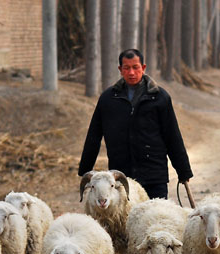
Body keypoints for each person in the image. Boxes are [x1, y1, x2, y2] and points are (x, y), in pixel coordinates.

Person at [78, 49, 193, 200]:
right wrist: (85, 170)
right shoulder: (108, 99)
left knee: (156, 218)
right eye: (126, 68)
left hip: (154, 175)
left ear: (143, 68)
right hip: (122, 179)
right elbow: (94, 135)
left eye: (135, 67)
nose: (131, 72)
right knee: (124, 220)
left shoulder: (159, 97)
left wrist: (183, 171)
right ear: (120, 70)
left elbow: (172, 136)